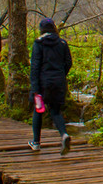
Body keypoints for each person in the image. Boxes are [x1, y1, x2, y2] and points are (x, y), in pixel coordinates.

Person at [29, 17, 73, 154]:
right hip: (59, 82)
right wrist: (61, 74)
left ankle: (36, 142)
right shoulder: (62, 43)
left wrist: (35, 87)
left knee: (38, 111)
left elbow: (35, 66)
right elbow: (68, 62)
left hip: (43, 83)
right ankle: (64, 134)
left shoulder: (39, 43)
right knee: (55, 111)